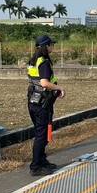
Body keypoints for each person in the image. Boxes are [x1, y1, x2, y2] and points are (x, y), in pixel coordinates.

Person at [27, 35, 65, 176]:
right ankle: (35, 166)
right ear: (46, 46)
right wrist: (59, 88)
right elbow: (44, 83)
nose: (52, 47)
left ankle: (42, 160)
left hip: (34, 101)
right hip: (42, 103)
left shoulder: (33, 60)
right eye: (51, 45)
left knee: (41, 133)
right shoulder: (43, 62)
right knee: (41, 136)